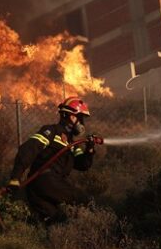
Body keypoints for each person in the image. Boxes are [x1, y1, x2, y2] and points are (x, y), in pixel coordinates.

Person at [7, 96, 97, 225]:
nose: (82, 123)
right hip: (45, 180)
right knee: (84, 201)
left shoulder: (72, 143)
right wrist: (15, 177)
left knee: (55, 222)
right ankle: (96, 233)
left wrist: (89, 149)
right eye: (80, 118)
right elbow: (28, 149)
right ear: (70, 116)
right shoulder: (51, 132)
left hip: (39, 187)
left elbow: (82, 164)